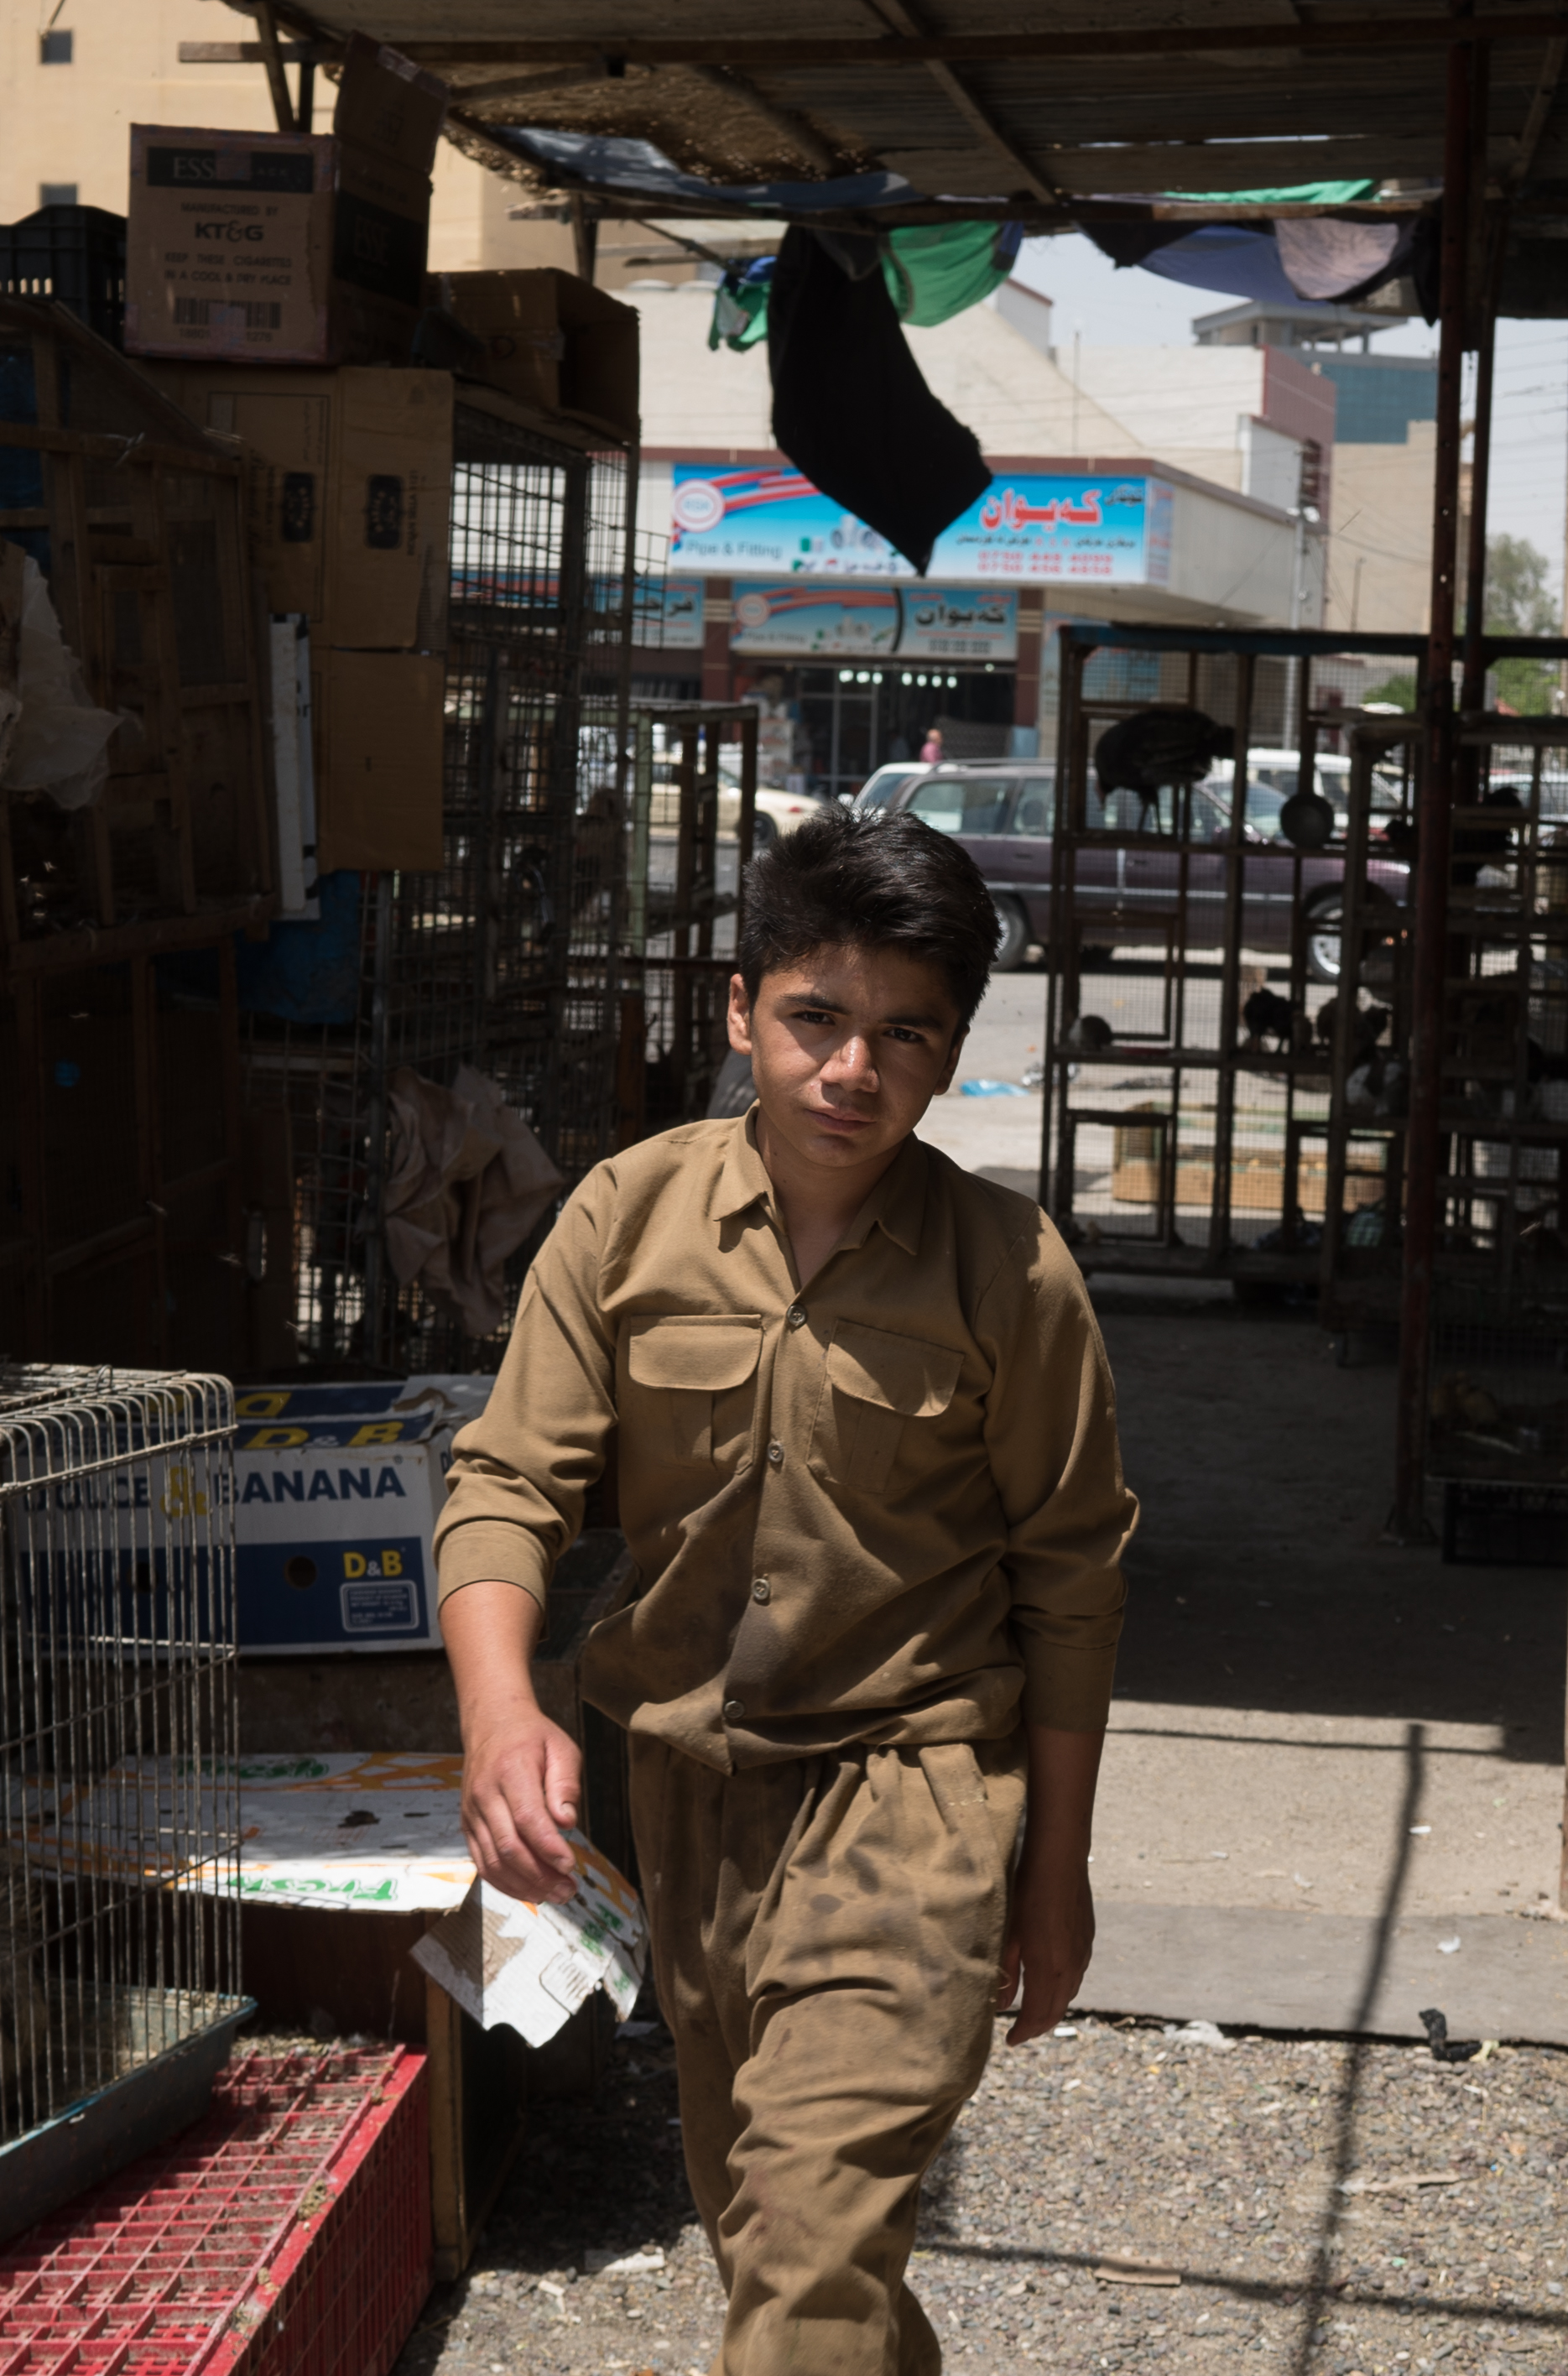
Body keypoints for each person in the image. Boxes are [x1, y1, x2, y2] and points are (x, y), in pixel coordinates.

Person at [435, 806, 1138, 2376]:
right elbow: (506, 1486)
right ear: (741, 1009)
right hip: (686, 1802)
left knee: (808, 2248)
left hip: (917, 1800)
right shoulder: (625, 1217)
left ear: (953, 1055)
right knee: (775, 2239)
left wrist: (1059, 1869)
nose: (852, 1069)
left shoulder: (1009, 1274)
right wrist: (499, 1717)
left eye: (906, 1033)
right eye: (816, 1017)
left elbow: (1073, 1581)